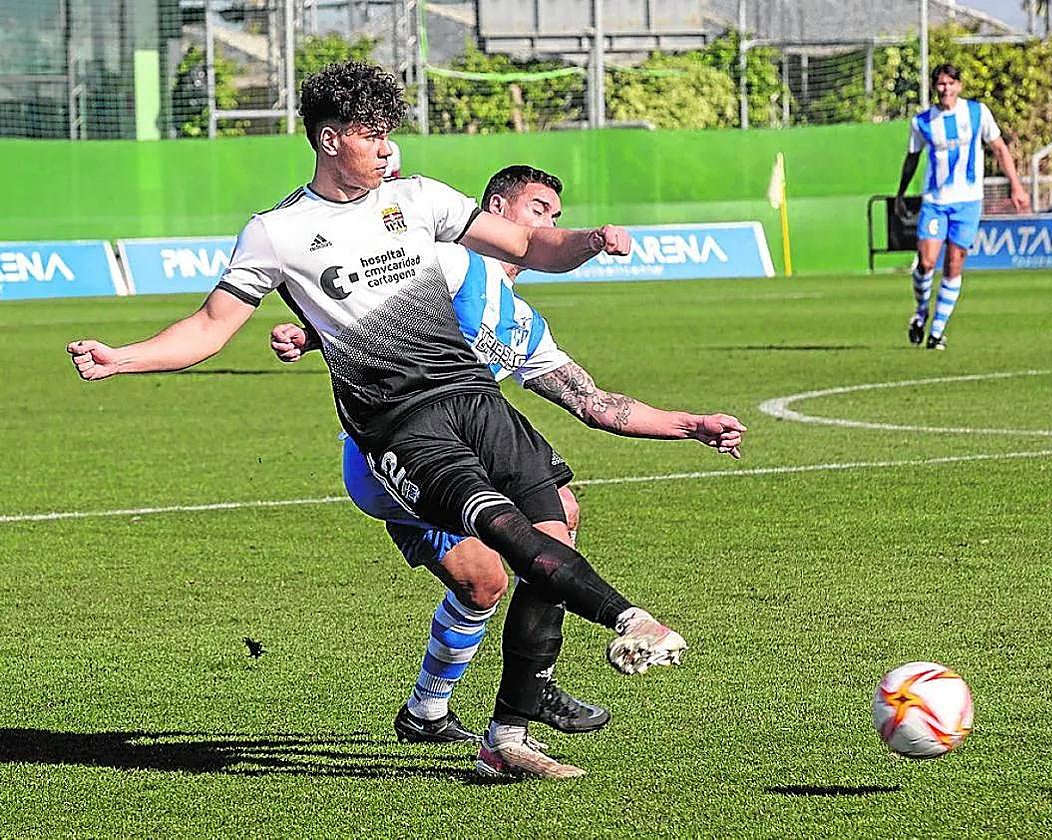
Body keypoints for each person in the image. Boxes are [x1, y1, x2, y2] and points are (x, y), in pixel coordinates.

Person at [67, 61, 713, 781]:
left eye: (387, 134)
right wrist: (122, 358)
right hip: (397, 422)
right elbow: (209, 328)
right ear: (330, 139)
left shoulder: (418, 199)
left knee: (557, 521)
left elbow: (530, 246)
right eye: (372, 135)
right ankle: (629, 618)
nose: (386, 149)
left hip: (473, 395)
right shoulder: (277, 233)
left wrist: (590, 240)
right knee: (499, 531)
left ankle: (507, 735)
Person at [269, 164, 746, 756]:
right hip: (391, 454)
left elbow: (594, 402)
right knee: (545, 523)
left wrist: (691, 425)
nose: (549, 223)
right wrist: (310, 335)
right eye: (538, 209)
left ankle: (429, 711)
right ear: (496, 209)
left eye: (556, 216)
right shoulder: (448, 261)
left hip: (469, 447)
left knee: (488, 583)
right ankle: (538, 681)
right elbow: (368, 304)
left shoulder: (522, 323)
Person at [895, 62, 1030, 351]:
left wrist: (1016, 185)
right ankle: (921, 312)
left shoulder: (977, 112)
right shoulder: (922, 122)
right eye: (941, 84)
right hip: (935, 201)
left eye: (950, 83)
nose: (946, 89)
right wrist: (901, 194)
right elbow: (912, 158)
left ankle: (937, 333)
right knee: (927, 262)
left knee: (954, 263)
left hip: (968, 202)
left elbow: (999, 148)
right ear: (935, 87)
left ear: (959, 86)